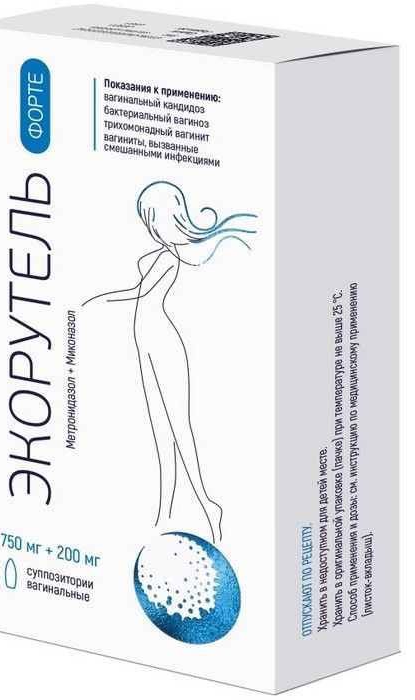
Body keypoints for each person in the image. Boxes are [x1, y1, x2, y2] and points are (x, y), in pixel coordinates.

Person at [83, 181, 257, 543]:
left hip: (163, 342)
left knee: (180, 428)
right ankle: (165, 513)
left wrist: (98, 300)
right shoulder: (160, 252)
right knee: (160, 431)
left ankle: (208, 505)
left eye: (154, 217)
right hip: (144, 342)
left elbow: (140, 293)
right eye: (148, 218)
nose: (151, 225)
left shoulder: (170, 256)